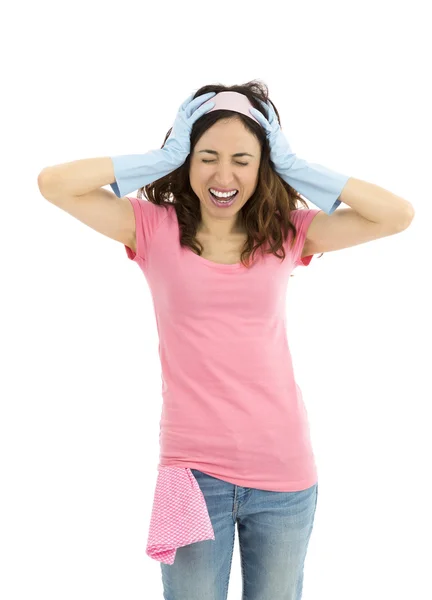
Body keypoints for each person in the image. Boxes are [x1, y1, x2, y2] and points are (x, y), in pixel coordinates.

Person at [38, 80, 413, 600]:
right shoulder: (151, 228)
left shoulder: (287, 232)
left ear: (264, 168)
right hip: (190, 474)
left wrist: (293, 163)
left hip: (283, 474)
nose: (223, 174)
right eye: (206, 156)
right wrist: (159, 156)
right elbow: (54, 183)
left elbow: (397, 215)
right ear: (187, 160)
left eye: (243, 159)